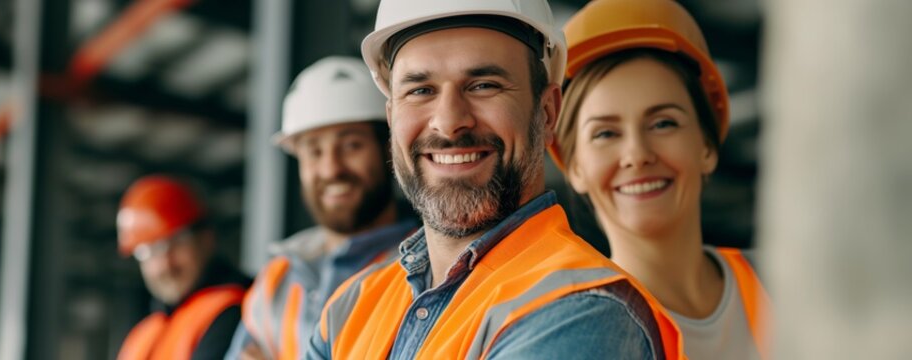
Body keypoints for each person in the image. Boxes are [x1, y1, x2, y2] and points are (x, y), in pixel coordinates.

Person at [306, 0, 685, 358]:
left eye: (484, 85)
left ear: (548, 112)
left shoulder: (583, 309)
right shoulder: (353, 305)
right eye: (420, 90)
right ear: (392, 117)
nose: (450, 121)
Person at [550, 0, 770, 359]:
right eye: (605, 133)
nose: (637, 154)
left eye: (663, 123)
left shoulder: (785, 284)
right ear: (574, 167)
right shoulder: (574, 334)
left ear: (707, 147)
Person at [225, 57, 416, 360]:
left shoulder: (424, 269)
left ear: (388, 148)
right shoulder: (279, 276)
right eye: (314, 151)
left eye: (352, 145)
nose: (331, 169)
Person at [116, 175, 251, 360]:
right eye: (148, 251)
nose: (165, 265)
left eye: (176, 242)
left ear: (206, 238)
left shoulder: (241, 309)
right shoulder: (143, 334)